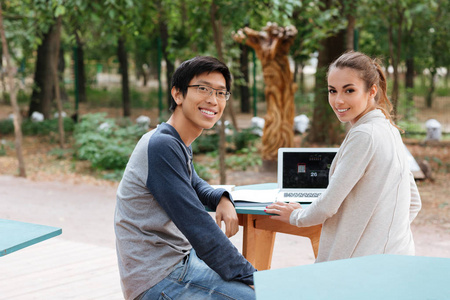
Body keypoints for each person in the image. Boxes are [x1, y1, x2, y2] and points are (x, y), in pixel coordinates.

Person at [114, 56, 256, 300]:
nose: (213, 100)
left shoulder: (173, 139)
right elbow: (199, 228)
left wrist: (221, 198)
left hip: (177, 261)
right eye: (203, 89)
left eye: (221, 93)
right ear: (178, 95)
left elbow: (195, 183)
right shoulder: (162, 145)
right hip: (158, 277)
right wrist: (256, 278)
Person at [266, 51, 422, 263]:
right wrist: (385, 235)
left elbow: (328, 205)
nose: (338, 100)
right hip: (398, 257)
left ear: (371, 91)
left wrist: (296, 216)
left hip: (362, 266)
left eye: (349, 90)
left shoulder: (364, 135)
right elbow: (413, 202)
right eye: (332, 90)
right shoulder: (388, 129)